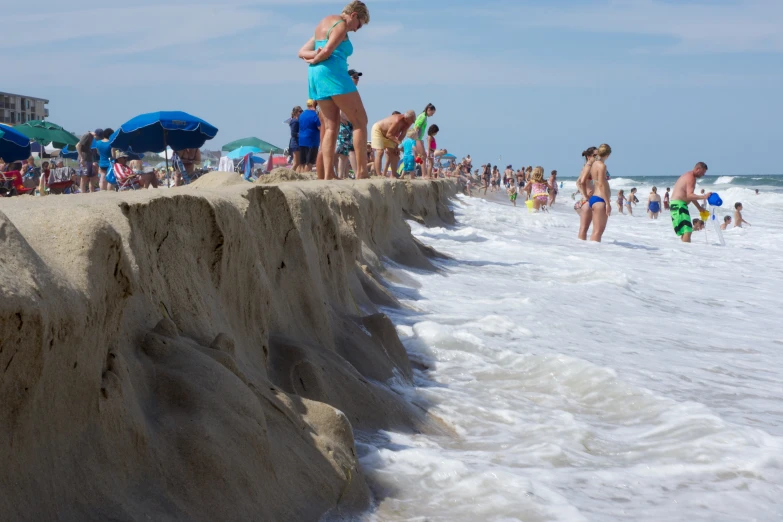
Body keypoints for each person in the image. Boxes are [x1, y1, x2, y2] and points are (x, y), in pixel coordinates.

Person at [298, 1, 370, 180]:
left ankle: (329, 174)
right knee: (360, 120)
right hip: (333, 74)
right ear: (353, 15)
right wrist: (317, 58)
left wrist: (314, 58)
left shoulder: (323, 23)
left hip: (316, 76)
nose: (356, 29)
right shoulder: (341, 25)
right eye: (359, 24)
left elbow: (302, 52)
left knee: (331, 126)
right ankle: (362, 172)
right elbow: (328, 51)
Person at [669, 162, 712, 243]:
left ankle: (683, 253)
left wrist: (699, 208)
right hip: (679, 205)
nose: (703, 175)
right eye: (703, 172)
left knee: (685, 231)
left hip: (677, 204)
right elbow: (690, 196)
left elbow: (689, 195)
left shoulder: (688, 175)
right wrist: (703, 196)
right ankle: (686, 253)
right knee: (688, 230)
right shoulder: (691, 178)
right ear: (697, 169)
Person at [371, 111, 416, 178]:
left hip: (390, 135)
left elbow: (402, 135)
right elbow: (389, 134)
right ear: (406, 118)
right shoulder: (397, 120)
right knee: (380, 152)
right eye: (412, 120)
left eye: (413, 121)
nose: (412, 123)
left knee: (395, 153)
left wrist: (397, 146)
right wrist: (398, 143)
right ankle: (379, 175)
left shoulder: (408, 123)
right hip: (379, 130)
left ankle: (393, 175)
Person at [336, 71, 362, 179]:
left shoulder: (351, 90)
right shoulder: (344, 89)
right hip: (345, 124)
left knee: (346, 152)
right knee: (348, 150)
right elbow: (337, 104)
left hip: (350, 123)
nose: (357, 79)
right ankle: (354, 174)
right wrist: (342, 118)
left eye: (357, 77)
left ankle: (343, 175)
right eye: (355, 77)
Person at [586, 144, 612, 242]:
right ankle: (593, 253)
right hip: (600, 199)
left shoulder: (594, 164)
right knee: (598, 231)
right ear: (608, 155)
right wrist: (608, 203)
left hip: (595, 198)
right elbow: (601, 185)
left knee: (596, 231)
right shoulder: (602, 166)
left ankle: (592, 251)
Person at [575, 147, 598, 240]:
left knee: (592, 229)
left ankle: (587, 250)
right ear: (589, 157)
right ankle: (581, 250)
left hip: (593, 199)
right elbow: (579, 183)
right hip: (586, 201)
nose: (598, 157)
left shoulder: (595, 167)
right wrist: (585, 195)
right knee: (584, 228)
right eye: (595, 155)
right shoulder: (587, 167)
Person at [413, 103, 436, 179]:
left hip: (418, 138)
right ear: (428, 110)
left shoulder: (424, 116)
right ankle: (424, 175)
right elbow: (416, 127)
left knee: (421, 156)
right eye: (432, 113)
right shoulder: (423, 116)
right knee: (423, 156)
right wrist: (416, 139)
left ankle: (423, 173)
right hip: (417, 138)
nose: (432, 115)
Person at [76, 129, 99, 193]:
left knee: (90, 176)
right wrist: (82, 158)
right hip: (84, 159)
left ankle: (90, 192)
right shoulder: (87, 135)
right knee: (84, 177)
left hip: (88, 159)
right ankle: (82, 192)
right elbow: (78, 145)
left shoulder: (91, 137)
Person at [288, 106, 303, 172]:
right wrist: (301, 134)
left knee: (299, 162)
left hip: (297, 142)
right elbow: (293, 133)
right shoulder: (294, 121)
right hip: (295, 143)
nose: (301, 112)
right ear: (296, 112)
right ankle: (289, 174)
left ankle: (297, 174)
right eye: (300, 111)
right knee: (296, 163)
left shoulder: (296, 120)